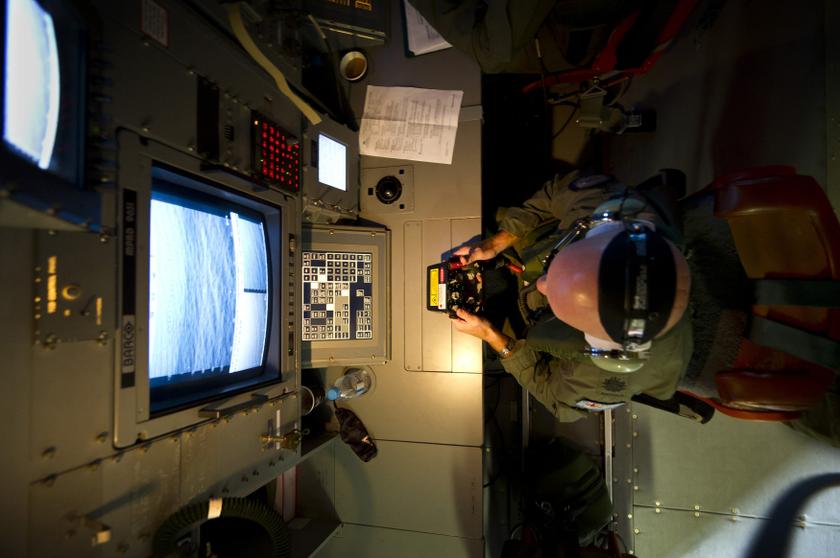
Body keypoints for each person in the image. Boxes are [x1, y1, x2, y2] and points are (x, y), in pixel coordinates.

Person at [450, 171, 693, 421]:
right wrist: (494, 244)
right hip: (531, 260)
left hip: (529, 325)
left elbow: (554, 399)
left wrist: (492, 336)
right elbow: (560, 190)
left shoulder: (605, 378)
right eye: (552, 277)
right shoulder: (613, 209)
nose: (541, 285)